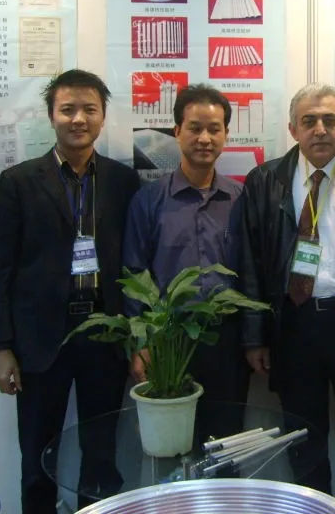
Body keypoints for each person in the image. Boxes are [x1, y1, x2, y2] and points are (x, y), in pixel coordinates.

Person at [238, 83, 335, 514]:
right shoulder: (264, 181)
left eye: (329, 120)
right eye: (309, 121)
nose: (320, 129)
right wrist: (255, 336)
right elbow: (251, 262)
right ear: (293, 129)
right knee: (304, 442)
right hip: (294, 325)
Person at [0, 69, 141, 513]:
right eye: (68, 109)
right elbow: (1, 271)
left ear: (102, 116)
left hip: (103, 334)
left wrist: (135, 336)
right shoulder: (18, 181)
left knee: (102, 454)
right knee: (38, 456)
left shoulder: (122, 181)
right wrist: (2, 347)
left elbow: (132, 264)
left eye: (89, 109)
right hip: (39, 340)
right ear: (51, 115)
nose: (79, 119)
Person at [122, 83, 248, 443]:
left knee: (226, 443)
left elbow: (252, 272)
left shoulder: (241, 199)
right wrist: (141, 343)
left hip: (227, 343)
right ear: (177, 132)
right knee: (173, 445)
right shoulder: (149, 200)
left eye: (214, 129)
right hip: (167, 343)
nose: (205, 138)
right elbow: (134, 274)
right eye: (195, 128)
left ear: (225, 134)